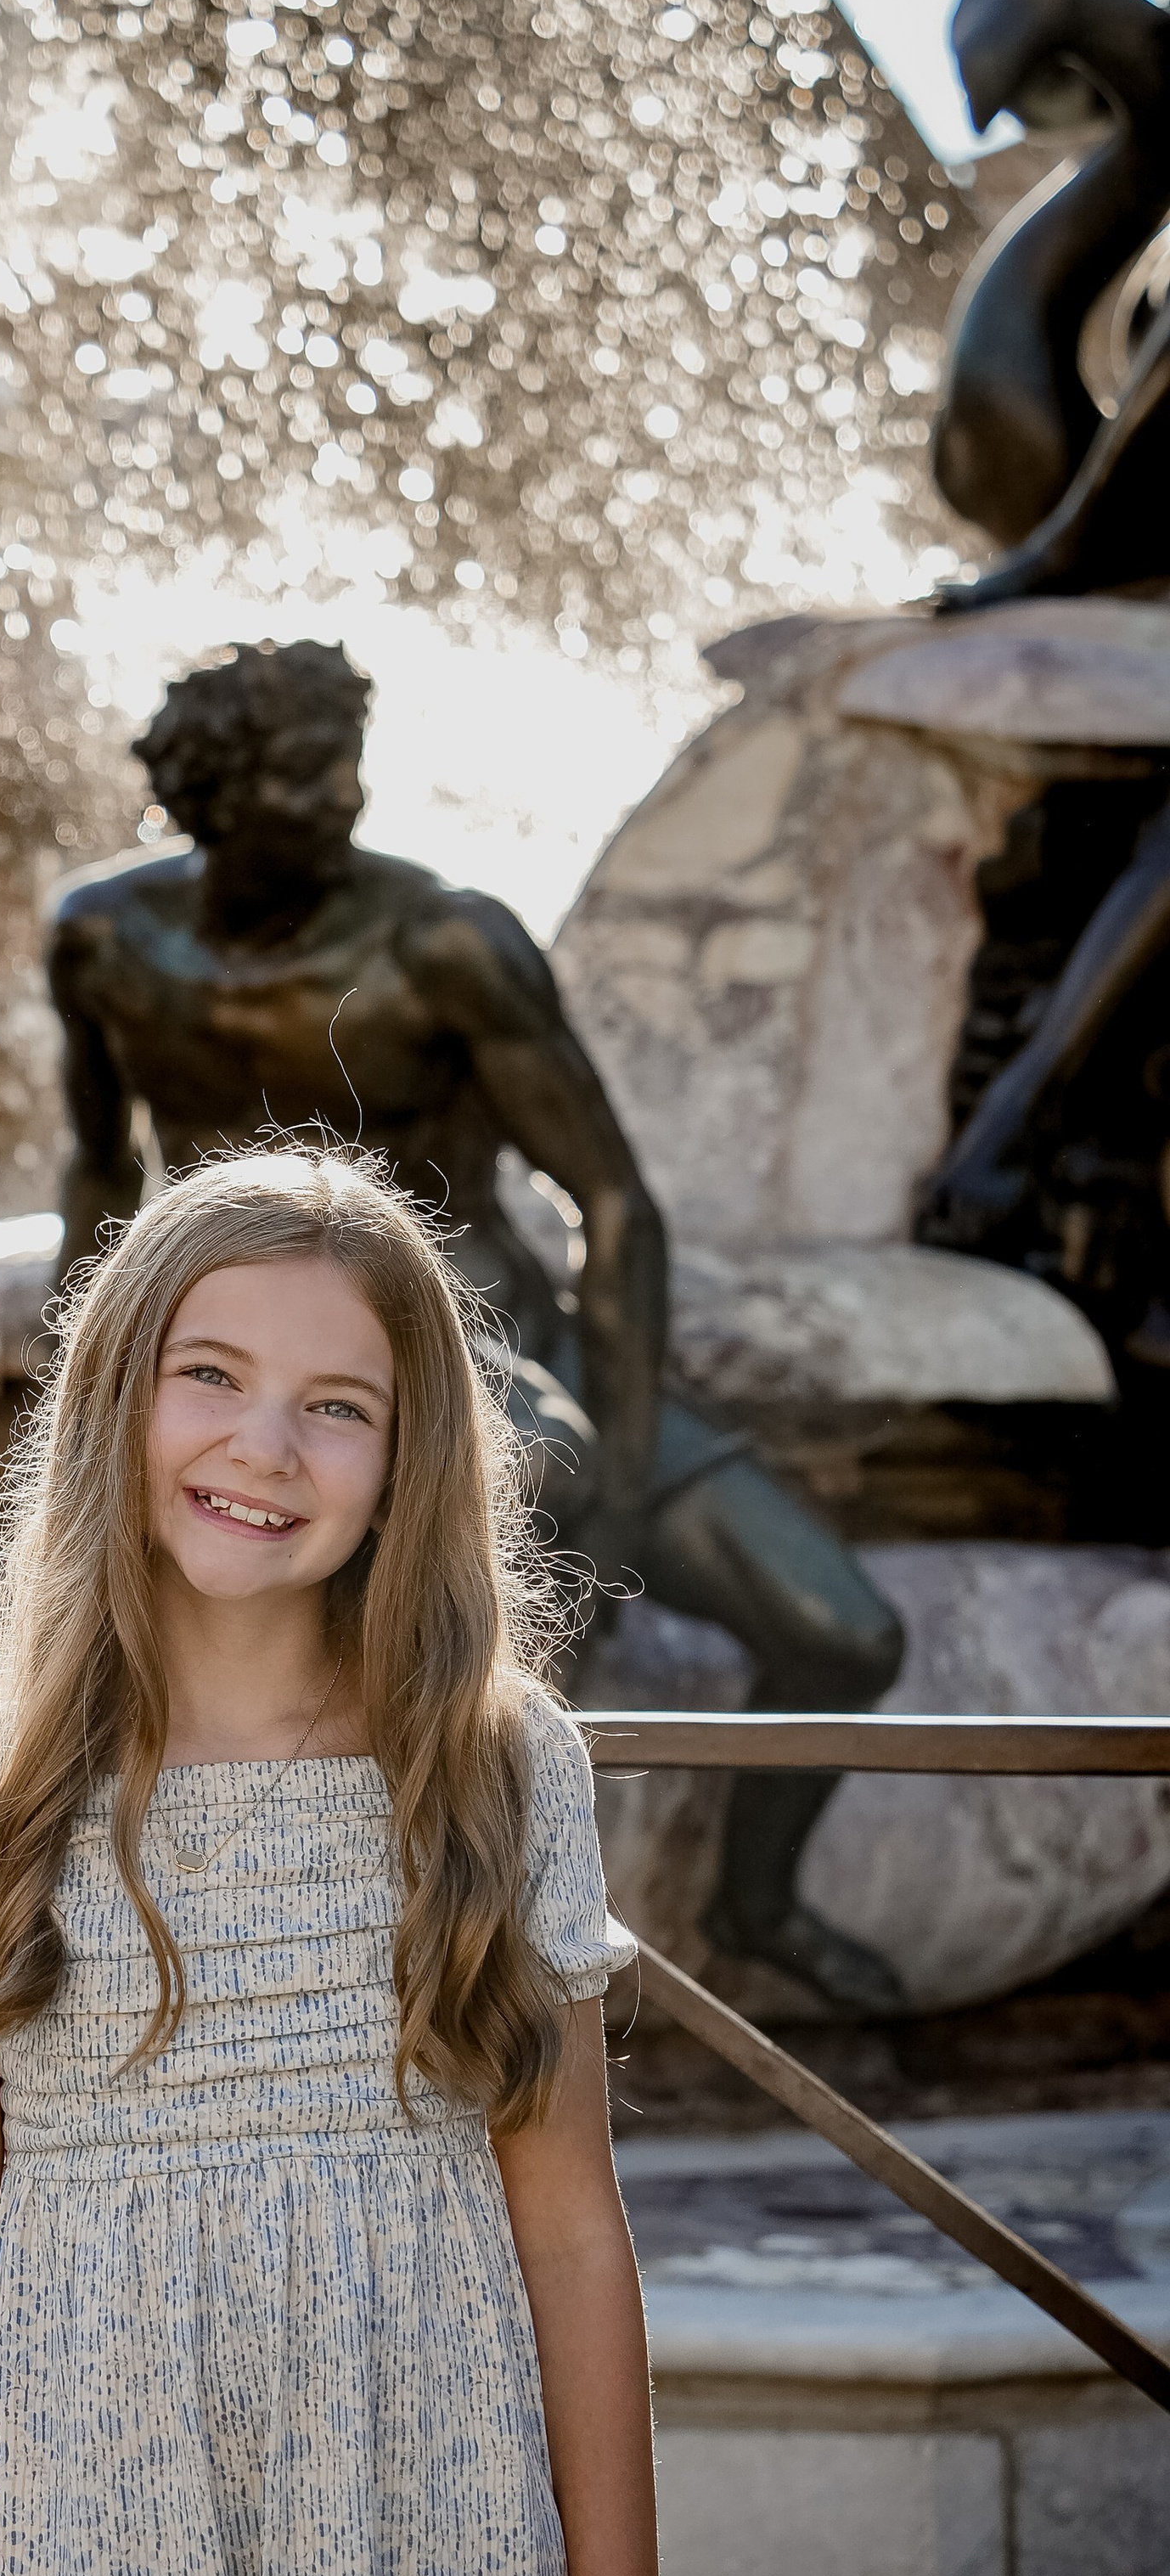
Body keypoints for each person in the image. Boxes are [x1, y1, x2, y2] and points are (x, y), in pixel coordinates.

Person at [0, 1146, 667, 2576]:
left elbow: (573, 2237)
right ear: (113, 1396)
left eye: (336, 1407)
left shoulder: (494, 1770)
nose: (262, 1448)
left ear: (409, 1465)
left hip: (432, 2570)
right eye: (206, 1376)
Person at [47, 639, 905, 2013]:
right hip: (273, 1365)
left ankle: (750, 1911)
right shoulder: (102, 942)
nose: (339, 798)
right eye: (297, 772)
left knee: (843, 1633)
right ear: (207, 792)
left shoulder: (445, 945)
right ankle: (427, 1963)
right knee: (471, 1542)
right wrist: (76, 1397)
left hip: (492, 1343)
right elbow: (97, 1176)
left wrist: (624, 1473)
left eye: (345, 765)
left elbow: (615, 1202)